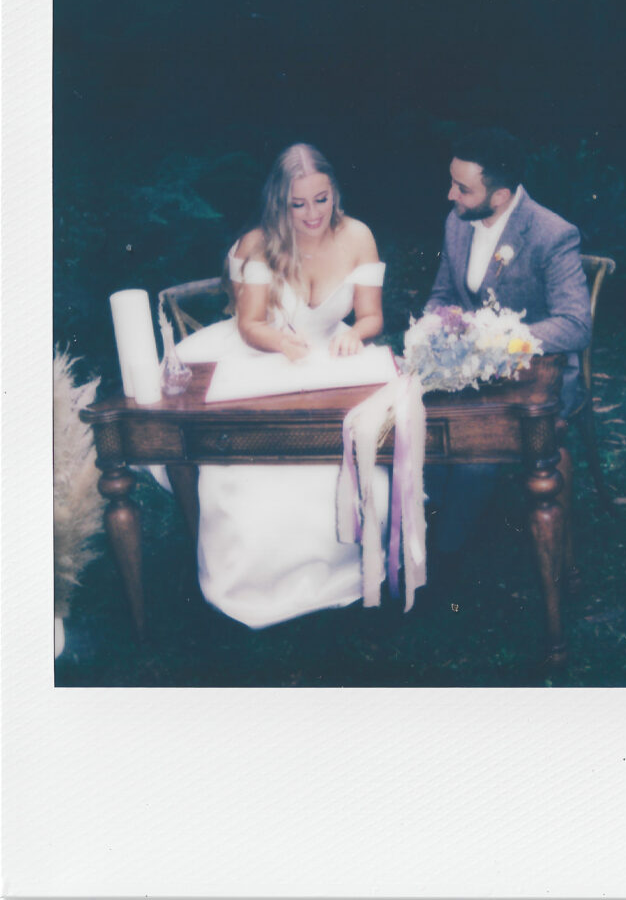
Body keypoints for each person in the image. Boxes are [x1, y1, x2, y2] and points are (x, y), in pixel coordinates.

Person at [171, 143, 390, 629]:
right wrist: (279, 341)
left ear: (335, 193)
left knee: (358, 462)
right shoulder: (259, 243)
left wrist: (354, 331)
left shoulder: (358, 236)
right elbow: (250, 323)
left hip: (331, 359)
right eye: (299, 204)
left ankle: (346, 576)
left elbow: (372, 314)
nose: (312, 214)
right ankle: (253, 590)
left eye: (322, 199)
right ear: (280, 202)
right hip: (263, 352)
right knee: (253, 474)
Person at [425, 128, 592, 554]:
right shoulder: (457, 223)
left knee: (474, 460)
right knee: (417, 433)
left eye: (462, 189)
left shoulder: (551, 234)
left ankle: (440, 567)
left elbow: (575, 324)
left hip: (535, 379)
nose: (450, 195)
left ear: (499, 196)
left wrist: (496, 339)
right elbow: (443, 297)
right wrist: (430, 334)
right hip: (468, 373)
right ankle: (416, 539)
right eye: (451, 182)